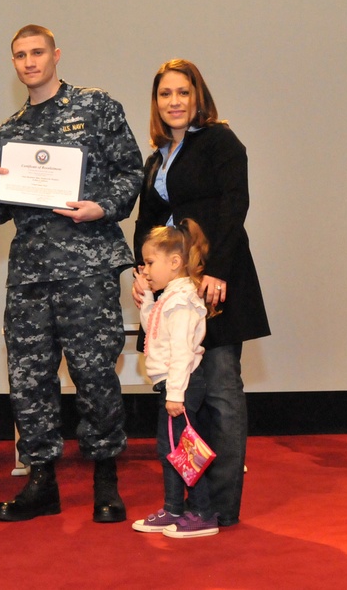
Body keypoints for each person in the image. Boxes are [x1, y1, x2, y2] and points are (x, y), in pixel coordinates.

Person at [0, 24, 143, 523]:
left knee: (95, 376)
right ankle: (41, 481)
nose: (29, 62)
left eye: (37, 52)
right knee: (29, 380)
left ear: (56, 55)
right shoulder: (10, 131)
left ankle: (106, 480)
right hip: (29, 274)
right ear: (14, 63)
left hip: (87, 266)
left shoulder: (97, 107)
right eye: (20, 55)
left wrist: (103, 207)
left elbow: (132, 171)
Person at [132, 59, 270, 527]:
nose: (174, 102)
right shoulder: (158, 156)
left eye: (182, 93)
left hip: (215, 285)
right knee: (181, 400)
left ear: (198, 97)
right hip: (172, 295)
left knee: (220, 396)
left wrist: (216, 269)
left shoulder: (220, 141)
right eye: (165, 94)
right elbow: (146, 222)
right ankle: (185, 504)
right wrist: (141, 269)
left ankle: (221, 509)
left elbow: (236, 205)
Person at [132, 220, 219, 539]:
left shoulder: (182, 301)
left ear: (175, 262)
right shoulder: (169, 297)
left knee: (183, 452)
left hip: (179, 386)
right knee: (169, 449)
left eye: (150, 263)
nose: (146, 270)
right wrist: (148, 299)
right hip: (172, 386)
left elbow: (182, 352)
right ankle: (174, 509)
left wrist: (175, 394)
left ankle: (201, 513)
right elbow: (154, 329)